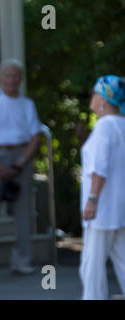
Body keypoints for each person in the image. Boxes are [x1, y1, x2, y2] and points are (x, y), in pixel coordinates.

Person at [0, 59, 42, 274]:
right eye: (8, 75)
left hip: (21, 157)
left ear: (21, 78)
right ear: (1, 78)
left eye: (16, 75)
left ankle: (22, 260)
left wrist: (21, 162)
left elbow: (35, 135)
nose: (12, 79)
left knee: (23, 211)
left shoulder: (28, 104)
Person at [79, 75, 125, 300]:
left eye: (95, 93)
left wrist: (92, 200)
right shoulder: (122, 123)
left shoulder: (105, 125)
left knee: (92, 270)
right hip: (120, 208)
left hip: (103, 210)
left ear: (104, 100)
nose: (92, 98)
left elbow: (100, 167)